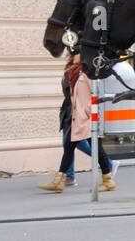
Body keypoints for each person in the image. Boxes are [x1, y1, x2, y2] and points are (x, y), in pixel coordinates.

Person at [39, 51, 116, 193]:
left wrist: (86, 112)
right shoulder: (74, 72)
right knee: (68, 148)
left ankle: (108, 180)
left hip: (87, 119)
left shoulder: (88, 73)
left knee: (96, 148)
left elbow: (96, 93)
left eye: (77, 53)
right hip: (76, 119)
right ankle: (59, 181)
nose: (73, 55)